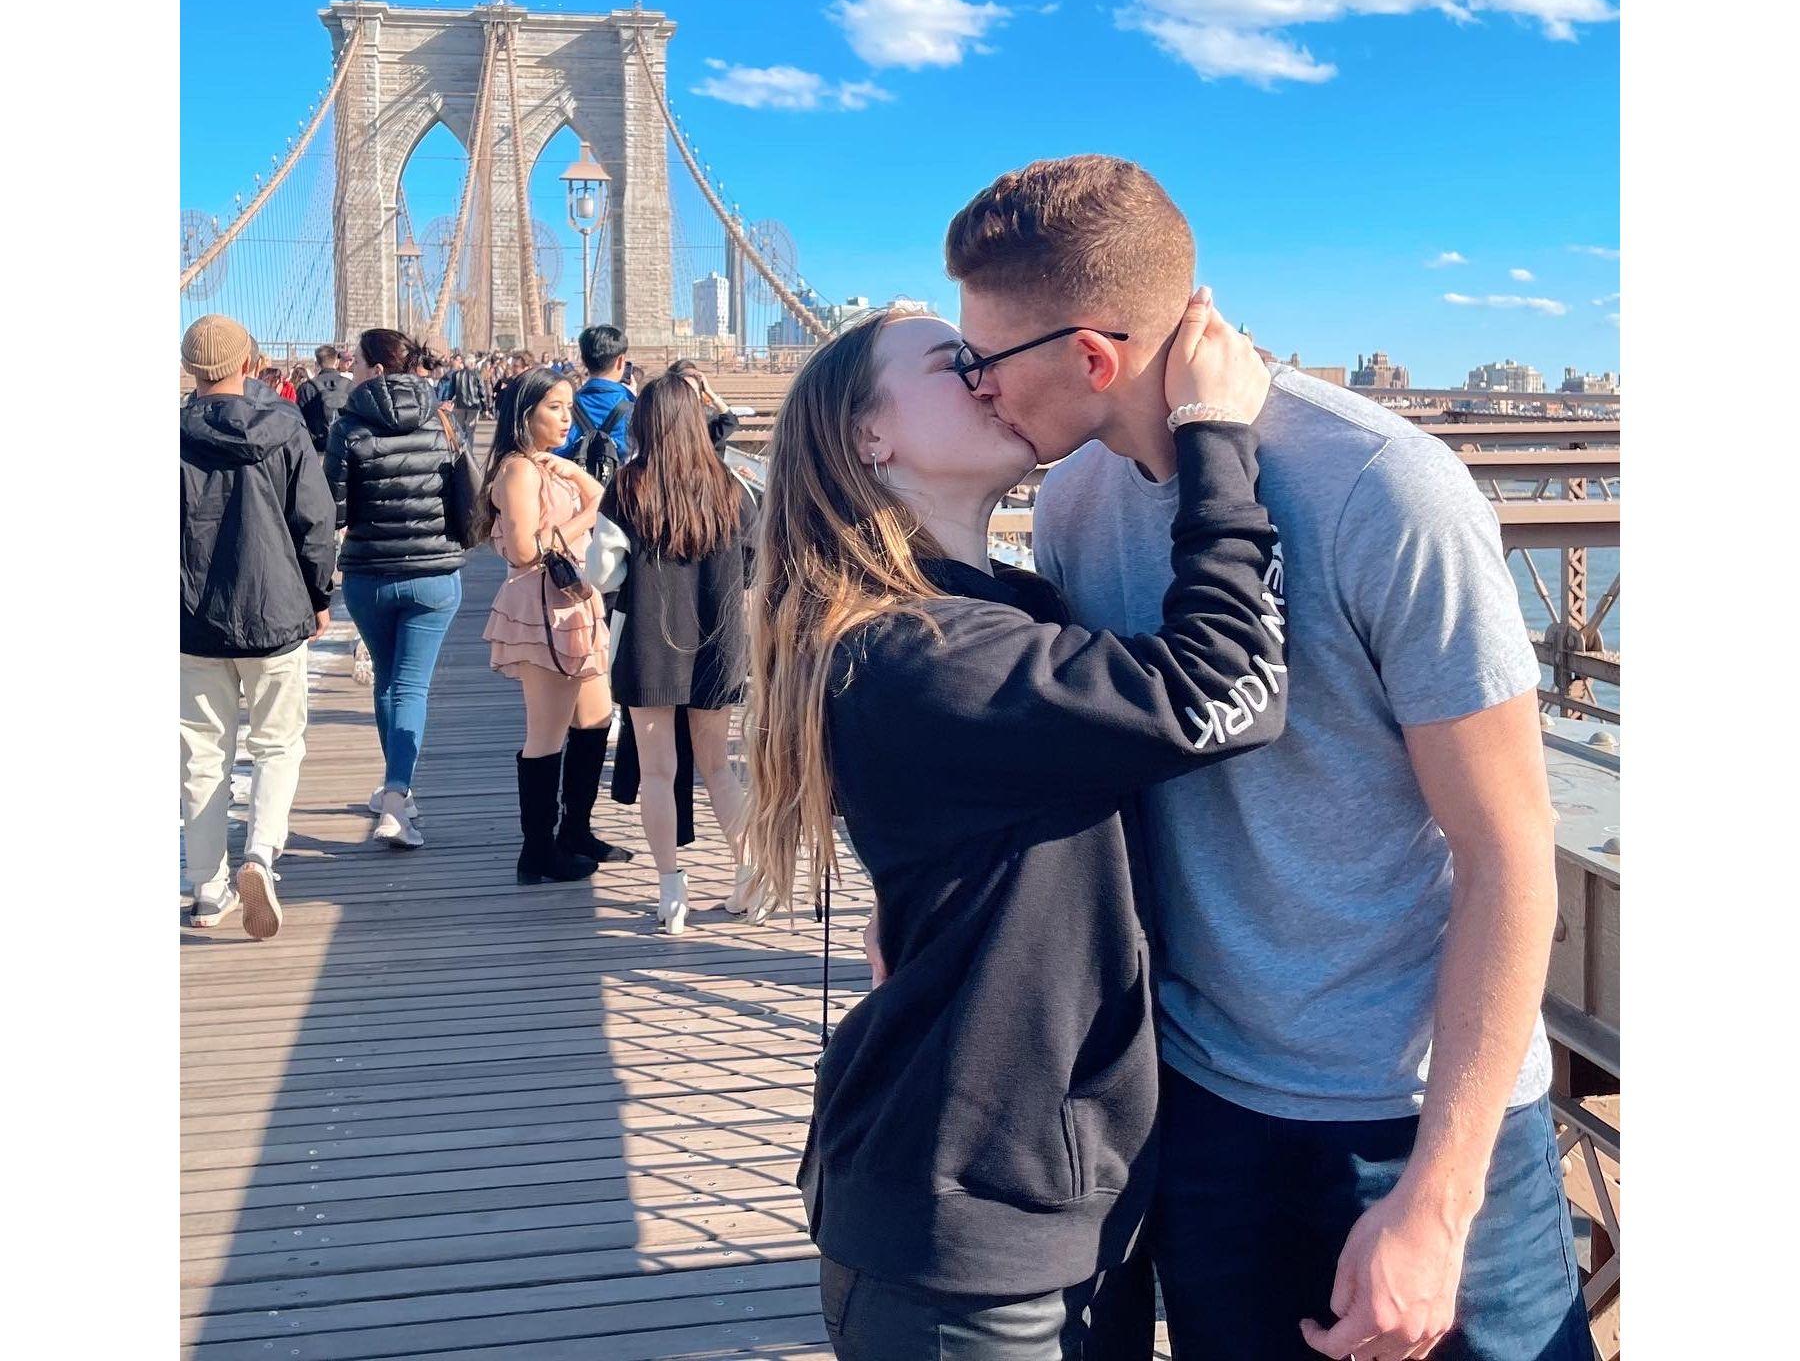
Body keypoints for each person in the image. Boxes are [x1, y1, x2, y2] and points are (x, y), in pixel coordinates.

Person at [947, 155, 1586, 1361]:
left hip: (1419, 1123)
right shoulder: (1077, 498)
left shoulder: (1383, 490)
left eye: (986, 363)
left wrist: (1438, 1202)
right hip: (1205, 1108)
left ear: (1091, 359)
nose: (977, 391)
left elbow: (1510, 857)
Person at [741, 298, 1284, 1355]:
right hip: (971, 1232)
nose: (989, 374)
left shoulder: (1011, 610)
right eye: (956, 363)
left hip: (1057, 1191)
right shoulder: (911, 653)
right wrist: (1216, 434)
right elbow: (1227, 687)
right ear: (871, 437)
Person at [180, 314, 337, 938]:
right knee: (276, 745)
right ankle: (261, 855)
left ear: (192, 368)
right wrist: (319, 593)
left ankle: (206, 890)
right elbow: (315, 519)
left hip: (190, 618)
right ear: (248, 362)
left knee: (200, 758)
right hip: (274, 610)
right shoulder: (284, 427)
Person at [603, 373, 759, 933]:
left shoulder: (627, 487)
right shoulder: (733, 488)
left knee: (657, 773)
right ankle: (749, 876)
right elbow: (750, 566)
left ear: (644, 424)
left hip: (649, 642)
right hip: (718, 641)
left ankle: (671, 894)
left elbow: (602, 570)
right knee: (718, 768)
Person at [475, 368, 632, 883]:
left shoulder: (545, 466)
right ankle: (536, 851)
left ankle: (576, 831)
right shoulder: (518, 472)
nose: (567, 418)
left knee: (594, 719)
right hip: (540, 609)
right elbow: (523, 551)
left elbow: (604, 497)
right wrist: (586, 516)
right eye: (554, 408)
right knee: (545, 733)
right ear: (526, 414)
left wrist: (573, 480)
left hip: (571, 605)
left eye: (568, 407)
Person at [323, 329, 467, 849]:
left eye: (356, 361)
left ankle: (394, 792)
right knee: (410, 685)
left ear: (377, 369)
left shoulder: (349, 426)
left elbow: (334, 510)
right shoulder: (443, 420)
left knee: (388, 680)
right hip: (434, 576)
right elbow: (460, 499)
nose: (350, 368)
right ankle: (396, 794)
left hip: (369, 575)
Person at [555, 323, 635, 473]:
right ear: (620, 361)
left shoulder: (565, 406)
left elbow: (558, 451)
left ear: (584, 361)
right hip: (619, 490)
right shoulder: (632, 405)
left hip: (575, 489)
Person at [667, 358, 741, 455]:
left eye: (694, 389)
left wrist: (709, 392)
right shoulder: (666, 418)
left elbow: (730, 422)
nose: (691, 395)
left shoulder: (707, 417)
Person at [295, 344, 353, 454]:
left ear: (317, 363)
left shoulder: (306, 388)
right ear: (336, 362)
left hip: (315, 450)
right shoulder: (350, 386)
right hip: (345, 450)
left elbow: (300, 422)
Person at [442, 349, 492, 447]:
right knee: (470, 429)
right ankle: (469, 451)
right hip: (474, 406)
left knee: (460, 428)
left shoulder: (456, 374)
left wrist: (448, 401)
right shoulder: (476, 374)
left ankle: (461, 449)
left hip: (459, 404)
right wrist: (484, 406)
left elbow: (451, 391)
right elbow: (481, 391)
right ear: (472, 363)